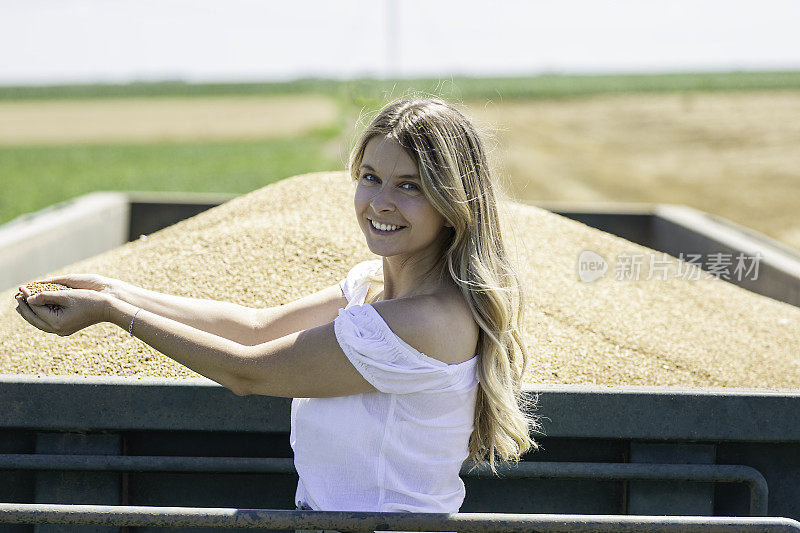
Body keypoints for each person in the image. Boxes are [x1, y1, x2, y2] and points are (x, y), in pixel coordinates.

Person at [14, 95, 540, 531]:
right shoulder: (370, 288)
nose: (380, 201)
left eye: (410, 185)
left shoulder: (422, 322)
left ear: (454, 201)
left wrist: (113, 314)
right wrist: (117, 289)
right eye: (370, 176)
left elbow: (251, 370)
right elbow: (255, 327)